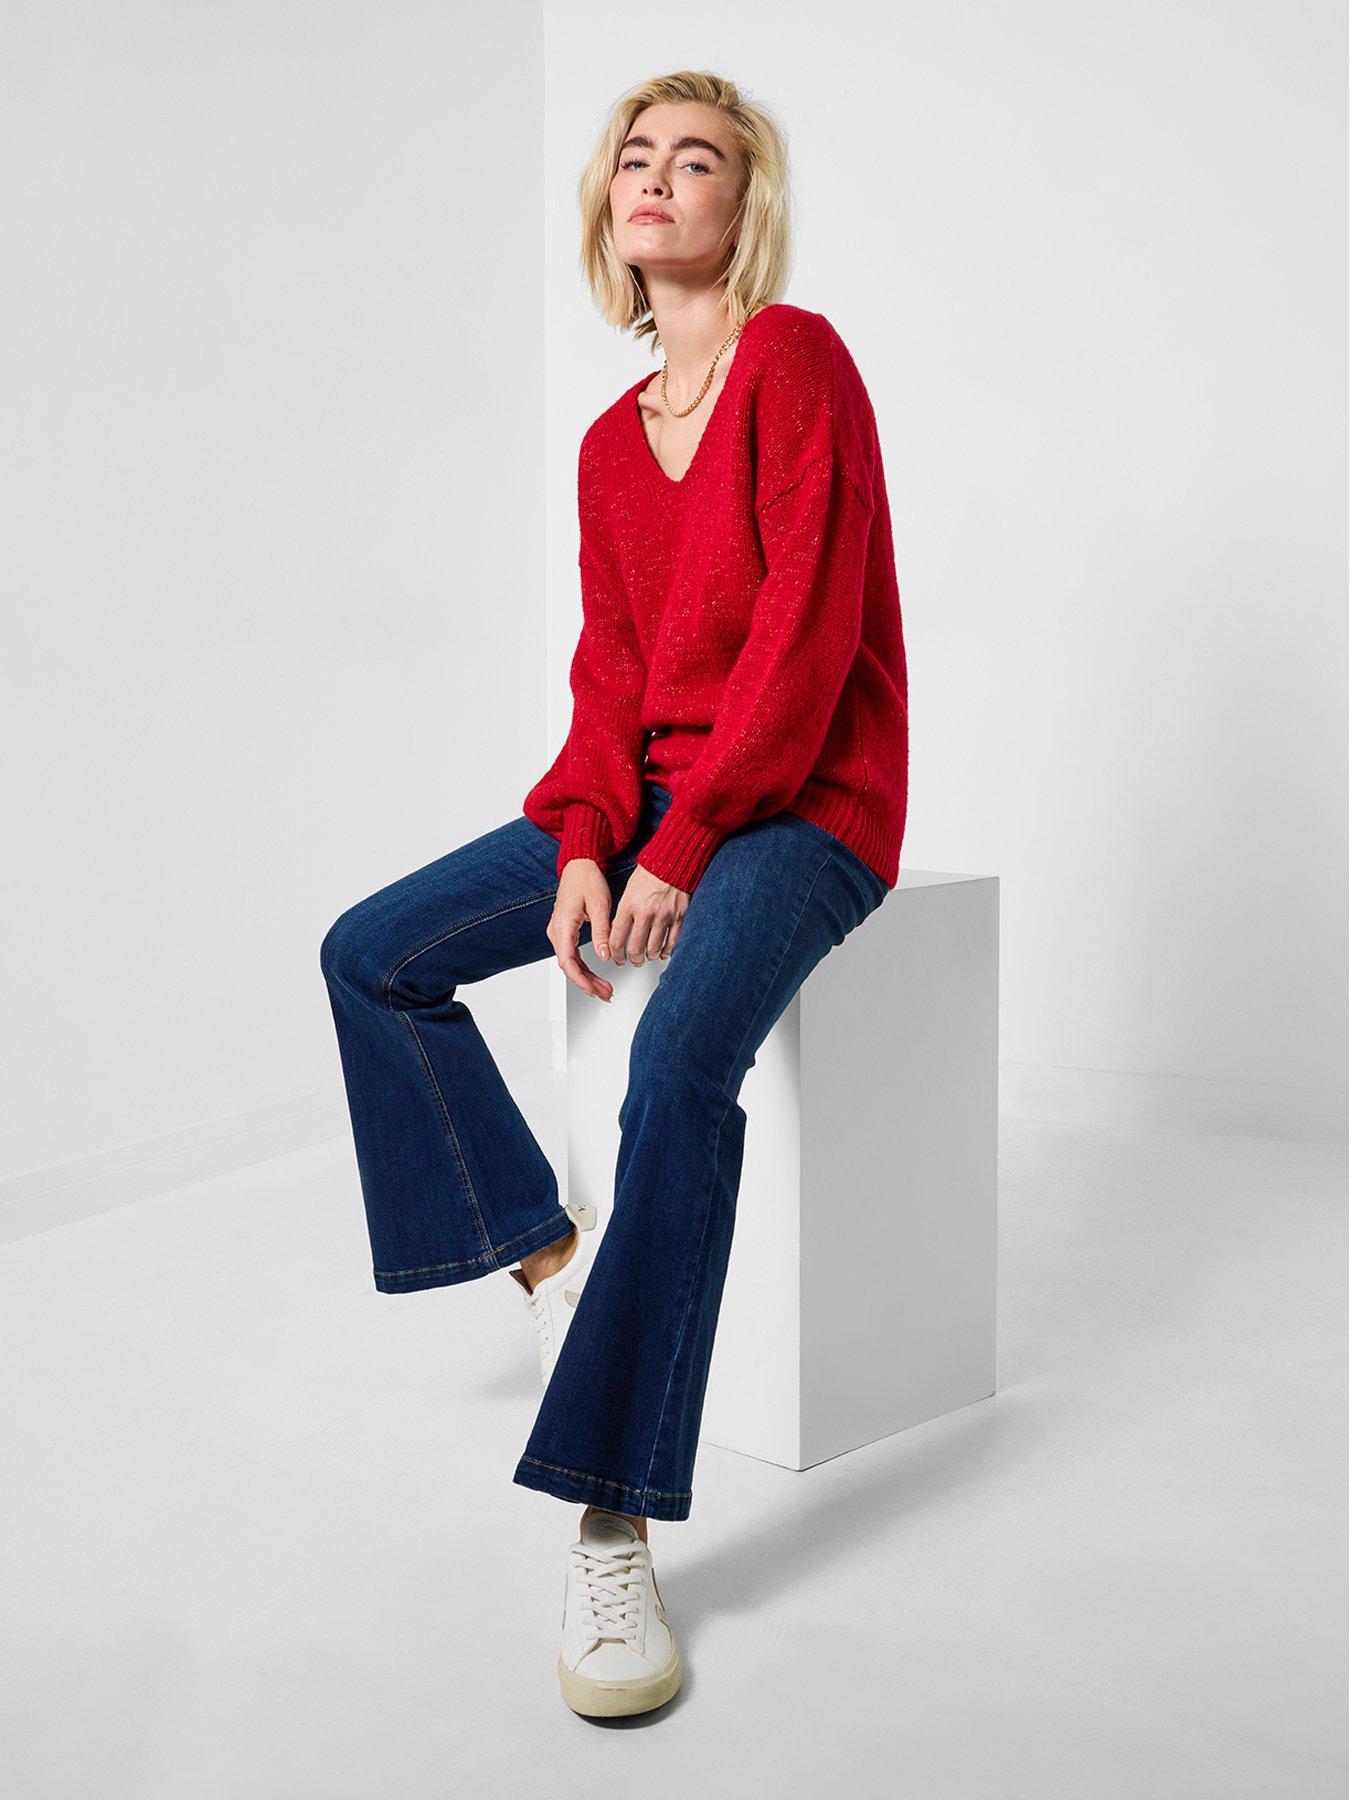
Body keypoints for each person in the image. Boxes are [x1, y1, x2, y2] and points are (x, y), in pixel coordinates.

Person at [319, 68, 908, 1719]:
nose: (654, 178)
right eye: (633, 156)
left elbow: (803, 638)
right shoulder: (605, 443)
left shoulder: (793, 363)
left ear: (740, 204)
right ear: (606, 201)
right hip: (647, 800)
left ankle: (612, 1523)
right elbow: (610, 681)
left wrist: (686, 840)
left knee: (675, 1066)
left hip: (804, 806)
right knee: (374, 955)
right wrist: (587, 834)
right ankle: (546, 1258)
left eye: (694, 159)